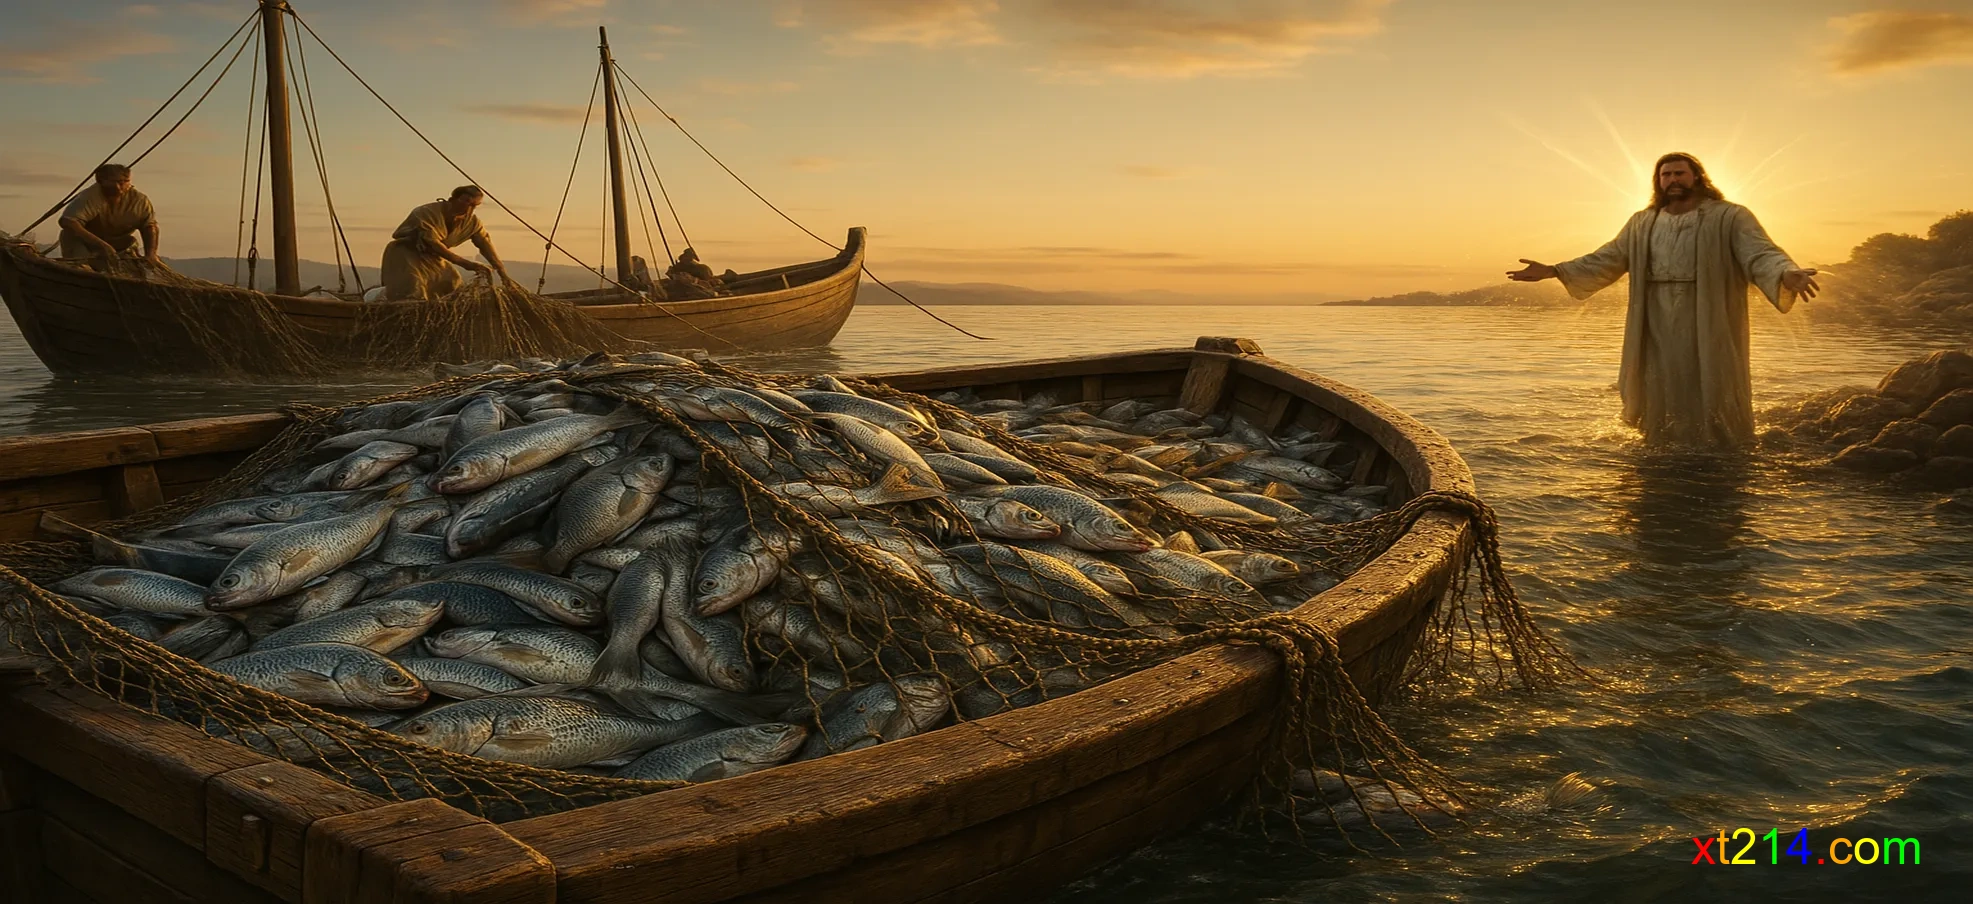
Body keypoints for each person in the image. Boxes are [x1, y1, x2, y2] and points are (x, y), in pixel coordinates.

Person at [1507, 152, 1820, 448]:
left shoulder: (1729, 216)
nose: (1673, 180)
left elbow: (1759, 252)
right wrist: (1553, 270)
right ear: (1658, 181)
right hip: (1654, 315)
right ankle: (1661, 437)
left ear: (1697, 176)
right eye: (1665, 175)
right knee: (1658, 376)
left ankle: (1721, 440)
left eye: (1679, 173)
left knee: (1711, 374)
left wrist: (1785, 273)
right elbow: (1608, 257)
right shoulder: (1642, 222)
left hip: (1708, 312)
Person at [380, 185, 516, 300]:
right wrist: (467, 263)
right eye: (466, 202)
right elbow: (433, 242)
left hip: (433, 258)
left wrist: (503, 274)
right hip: (406, 253)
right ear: (453, 199)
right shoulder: (426, 212)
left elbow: (485, 245)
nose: (469, 208)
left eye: (475, 205)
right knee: (413, 288)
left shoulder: (472, 222)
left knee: (451, 283)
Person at [58, 163, 159, 267]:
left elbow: (149, 225)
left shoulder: (139, 200)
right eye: (116, 182)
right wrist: (102, 245)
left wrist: (151, 254)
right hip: (86, 242)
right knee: (69, 237)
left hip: (118, 242)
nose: (120, 186)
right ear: (101, 181)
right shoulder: (89, 197)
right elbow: (69, 222)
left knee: (130, 246)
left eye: (125, 182)